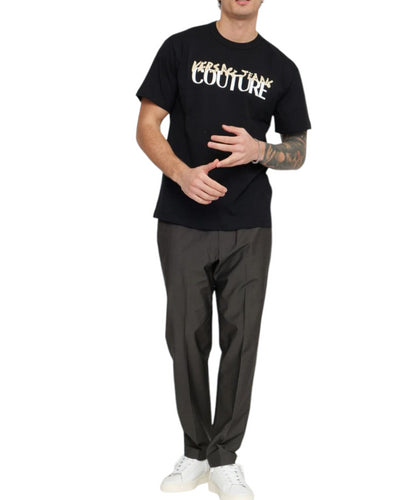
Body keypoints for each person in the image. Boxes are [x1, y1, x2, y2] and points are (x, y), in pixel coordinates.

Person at [135, 0, 311, 498]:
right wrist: (181, 174)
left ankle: (224, 458)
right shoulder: (181, 48)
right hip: (182, 219)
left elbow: (298, 150)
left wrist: (260, 150)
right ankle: (196, 453)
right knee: (185, 337)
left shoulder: (281, 68)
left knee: (242, 339)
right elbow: (146, 126)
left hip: (249, 224)